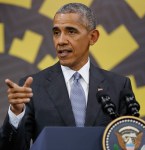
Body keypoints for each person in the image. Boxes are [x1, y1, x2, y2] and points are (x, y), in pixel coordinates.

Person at [0, 3, 134, 150]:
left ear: (93, 37)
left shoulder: (118, 86)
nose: (61, 41)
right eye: (56, 32)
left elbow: (132, 142)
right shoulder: (33, 87)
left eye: (71, 31)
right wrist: (15, 114)